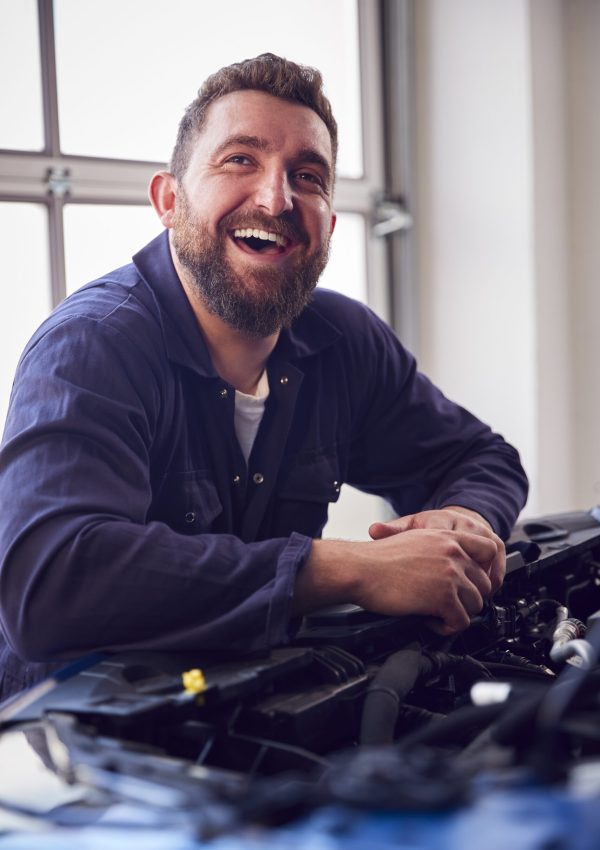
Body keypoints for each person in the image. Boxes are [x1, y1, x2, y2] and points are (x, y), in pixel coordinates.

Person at [0, 54, 527, 700]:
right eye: (240, 160)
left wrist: (462, 524)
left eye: (307, 176)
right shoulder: (92, 344)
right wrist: (349, 568)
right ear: (169, 200)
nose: (277, 199)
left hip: (257, 715)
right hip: (73, 740)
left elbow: (479, 457)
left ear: (328, 225)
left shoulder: (345, 341)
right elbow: (50, 583)